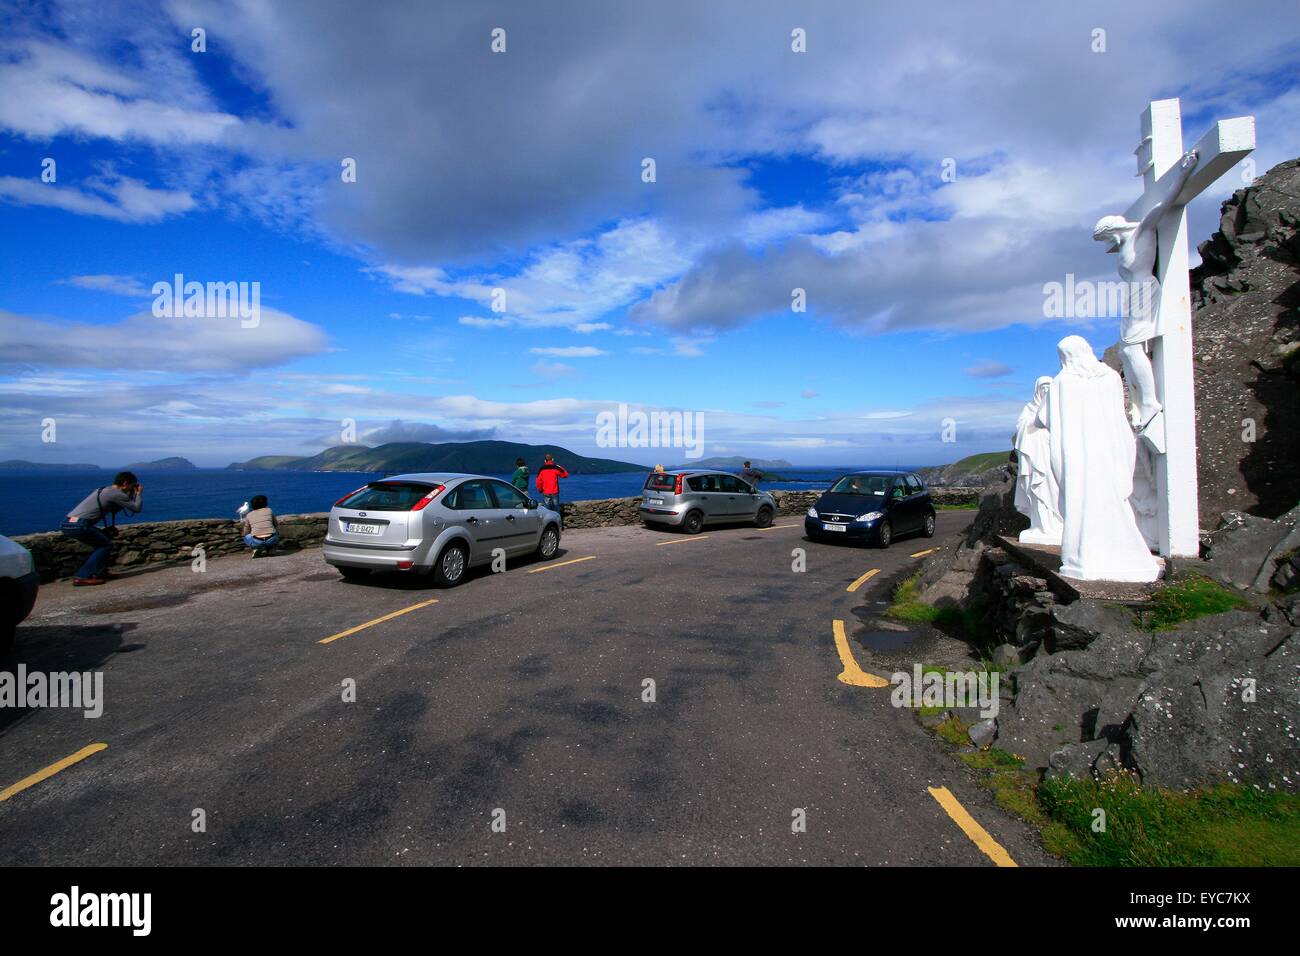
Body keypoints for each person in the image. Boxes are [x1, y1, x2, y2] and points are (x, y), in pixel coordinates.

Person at [1046, 335, 1159, 582]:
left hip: (1078, 455)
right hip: (1109, 450)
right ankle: (1126, 554)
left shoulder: (1062, 382)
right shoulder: (1110, 378)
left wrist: (1059, 461)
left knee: (1082, 503)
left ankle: (1084, 555)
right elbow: (1119, 419)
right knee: (1113, 501)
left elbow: (1053, 424)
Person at [60, 471, 144, 586]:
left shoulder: (103, 490)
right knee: (105, 545)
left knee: (103, 541)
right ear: (125, 483)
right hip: (80, 525)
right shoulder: (116, 494)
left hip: (69, 523)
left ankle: (99, 572)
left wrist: (129, 494)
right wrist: (138, 494)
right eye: (131, 485)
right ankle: (82, 576)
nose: (132, 488)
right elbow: (136, 508)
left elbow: (116, 508)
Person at [1013, 376, 1063, 545]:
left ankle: (1057, 524)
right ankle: (1040, 525)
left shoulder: (1059, 408)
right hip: (1035, 458)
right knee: (1037, 491)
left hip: (1052, 458)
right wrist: (1036, 421)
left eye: (1049, 387)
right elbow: (1022, 428)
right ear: (1037, 390)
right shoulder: (1029, 409)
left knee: (1054, 490)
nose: (1046, 391)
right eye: (1043, 388)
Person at [535, 454, 568, 526]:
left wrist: (540, 490)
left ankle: (548, 526)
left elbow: (538, 481)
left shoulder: (542, 469)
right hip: (554, 492)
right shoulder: (555, 468)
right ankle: (558, 526)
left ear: (545, 460)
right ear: (552, 459)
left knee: (547, 510)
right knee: (556, 509)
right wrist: (560, 467)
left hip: (546, 492)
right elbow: (565, 475)